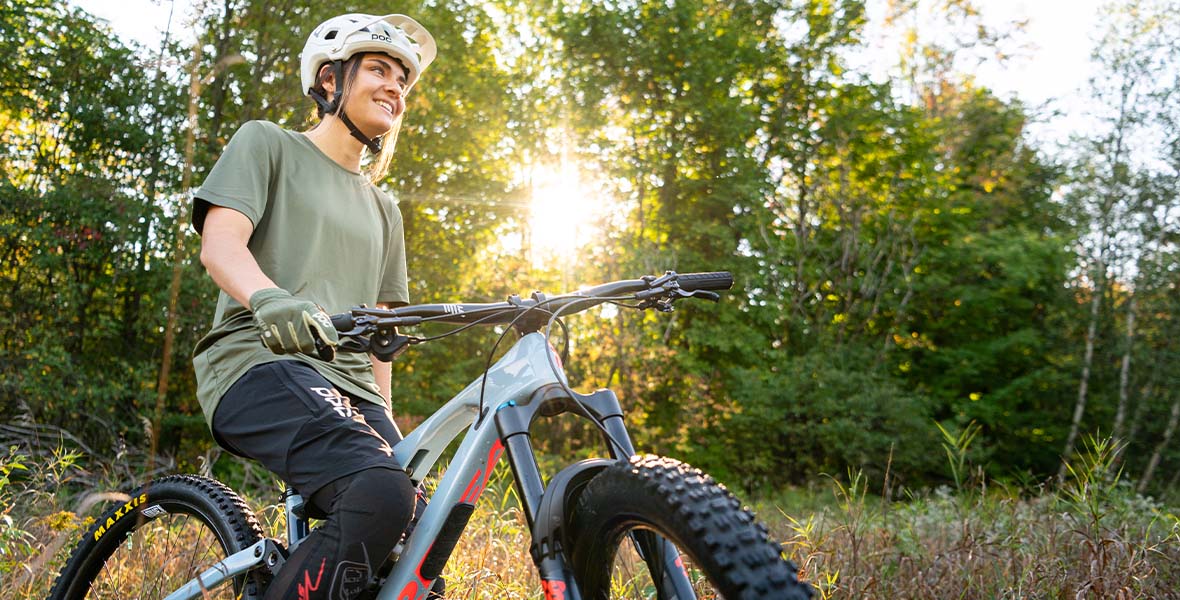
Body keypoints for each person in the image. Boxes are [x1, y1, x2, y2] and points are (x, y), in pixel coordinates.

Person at [190, 13, 436, 600]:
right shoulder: (267, 142)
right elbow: (220, 243)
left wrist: (387, 426)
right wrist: (268, 297)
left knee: (418, 527)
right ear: (331, 80)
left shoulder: (385, 210)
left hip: (350, 387)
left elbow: (381, 337)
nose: (395, 87)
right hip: (258, 360)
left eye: (403, 78)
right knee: (381, 494)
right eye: (379, 69)